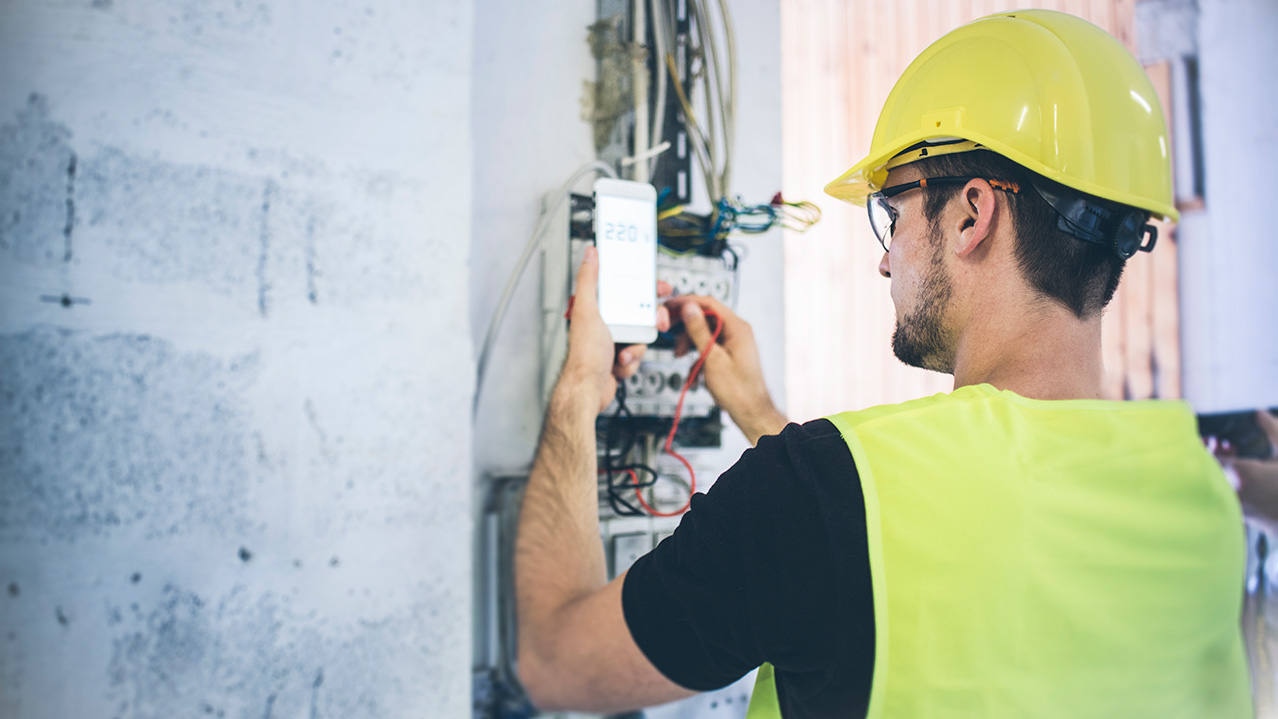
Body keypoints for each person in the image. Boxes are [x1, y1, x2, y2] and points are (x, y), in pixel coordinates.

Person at [513, 9, 1252, 718]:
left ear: (970, 215)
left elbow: (553, 658)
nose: (882, 260)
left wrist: (580, 383)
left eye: (892, 213)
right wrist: (763, 418)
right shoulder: (1202, 495)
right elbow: (961, 552)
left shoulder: (814, 494)